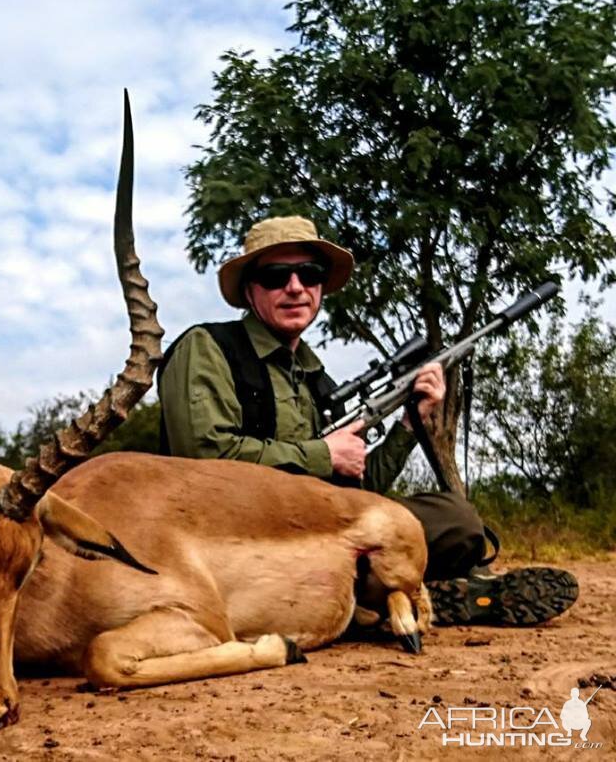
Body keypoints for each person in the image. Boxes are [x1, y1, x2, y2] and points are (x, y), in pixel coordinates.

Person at [158, 215, 578, 626]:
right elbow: (203, 457)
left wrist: (411, 424)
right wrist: (323, 454)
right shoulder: (209, 347)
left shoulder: (318, 381)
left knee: (456, 521)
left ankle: (360, 600)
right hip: (237, 542)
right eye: (275, 276)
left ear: (321, 286)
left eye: (309, 273)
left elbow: (360, 492)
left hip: (324, 537)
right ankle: (404, 598)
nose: (295, 287)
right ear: (250, 289)